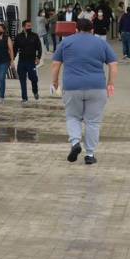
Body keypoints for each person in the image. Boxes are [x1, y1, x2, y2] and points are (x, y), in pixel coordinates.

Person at [49, 17, 117, 166]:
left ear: (76, 29)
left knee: (73, 117)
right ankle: (90, 154)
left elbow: (55, 64)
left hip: (72, 87)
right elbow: (113, 64)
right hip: (97, 87)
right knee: (93, 122)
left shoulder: (66, 42)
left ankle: (75, 142)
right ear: (92, 30)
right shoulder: (101, 43)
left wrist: (55, 82)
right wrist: (110, 83)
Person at [13, 19, 43, 103]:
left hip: (31, 62)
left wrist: (38, 57)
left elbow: (39, 48)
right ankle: (24, 98)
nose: (30, 27)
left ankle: (35, 91)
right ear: (23, 27)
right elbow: (14, 49)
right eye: (28, 26)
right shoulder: (18, 37)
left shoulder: (35, 36)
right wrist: (11, 59)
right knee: (22, 80)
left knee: (34, 78)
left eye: (30, 26)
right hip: (21, 62)